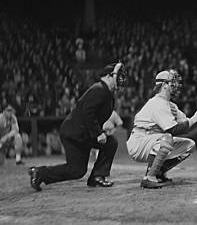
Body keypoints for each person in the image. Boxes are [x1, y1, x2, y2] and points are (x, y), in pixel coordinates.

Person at [28, 62, 127, 191]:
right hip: (74, 134)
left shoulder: (107, 94)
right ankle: (39, 173)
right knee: (76, 171)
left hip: (84, 134)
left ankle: (98, 176)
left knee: (109, 144)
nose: (121, 80)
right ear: (109, 76)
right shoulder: (99, 90)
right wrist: (98, 133)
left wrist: (98, 132)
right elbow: (88, 112)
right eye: (118, 76)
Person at [127, 69, 197, 189]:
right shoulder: (157, 103)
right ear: (164, 85)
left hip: (152, 140)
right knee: (167, 137)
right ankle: (149, 177)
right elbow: (173, 130)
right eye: (172, 82)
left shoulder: (170, 105)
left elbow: (186, 126)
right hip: (139, 141)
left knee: (189, 145)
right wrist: (195, 118)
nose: (176, 85)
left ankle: (159, 172)